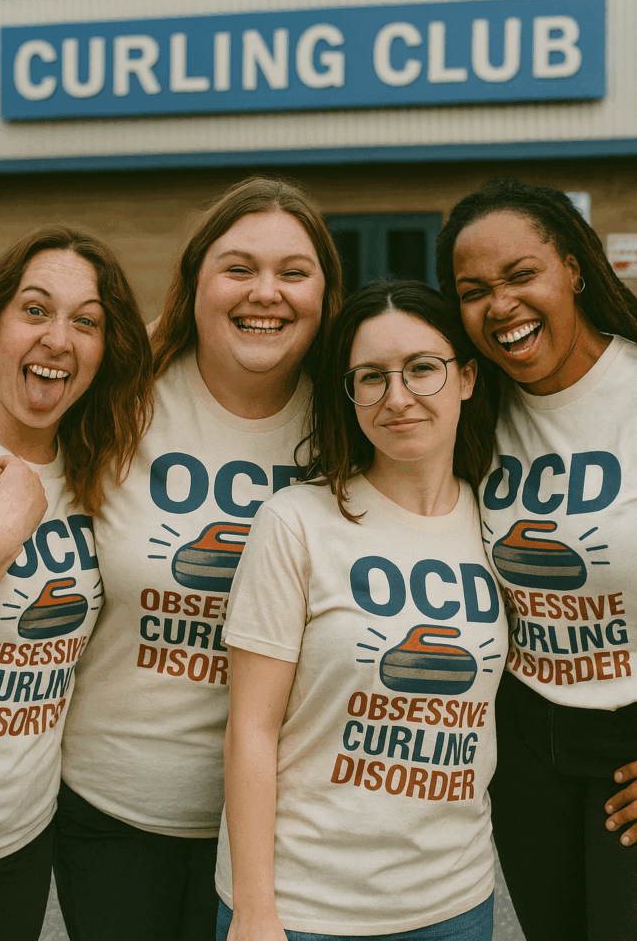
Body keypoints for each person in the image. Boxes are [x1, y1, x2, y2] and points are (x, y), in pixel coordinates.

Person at [54, 176, 343, 941]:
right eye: (239, 268)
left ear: (325, 292)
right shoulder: (119, 398)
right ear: (195, 284)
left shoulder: (358, 420)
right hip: (115, 810)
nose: (266, 293)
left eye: (294, 271)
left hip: (292, 822)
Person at [216, 279, 508, 941]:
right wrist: (257, 909)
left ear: (465, 377)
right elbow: (251, 729)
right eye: (369, 377)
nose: (396, 397)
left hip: (452, 900)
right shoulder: (295, 521)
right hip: (306, 906)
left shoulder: (496, 518)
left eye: (422, 370)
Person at [435, 177, 637, 941]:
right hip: (525, 742)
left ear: (573, 269)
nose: (500, 305)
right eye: (473, 290)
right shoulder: (467, 409)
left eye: (521, 275)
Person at [0, 227, 152, 941]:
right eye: (35, 311)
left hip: (20, 839)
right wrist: (3, 533)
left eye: (86, 322)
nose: (58, 340)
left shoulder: (91, 462)